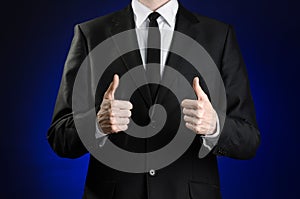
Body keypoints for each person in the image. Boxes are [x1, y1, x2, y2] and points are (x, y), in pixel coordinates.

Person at [47, 0, 261, 198]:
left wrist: (214, 126)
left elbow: (249, 140)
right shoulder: (91, 34)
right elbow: (59, 137)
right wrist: (96, 124)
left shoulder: (218, 36)